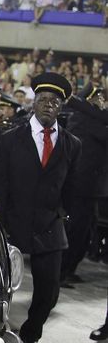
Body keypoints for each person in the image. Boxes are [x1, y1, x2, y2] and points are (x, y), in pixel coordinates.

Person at [0, 72, 81, 343]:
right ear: (34, 103)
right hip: (13, 223)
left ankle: (30, 337)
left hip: (49, 224)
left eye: (55, 102)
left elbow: (71, 188)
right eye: (43, 100)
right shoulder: (9, 140)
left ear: (61, 107)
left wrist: (62, 216)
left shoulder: (71, 144)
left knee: (49, 291)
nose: (48, 105)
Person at [61, 83, 108, 287]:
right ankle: (61, 272)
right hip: (81, 185)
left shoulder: (91, 118)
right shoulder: (83, 119)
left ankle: (69, 269)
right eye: (97, 99)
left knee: (86, 230)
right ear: (87, 102)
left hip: (91, 187)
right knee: (76, 229)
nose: (101, 103)